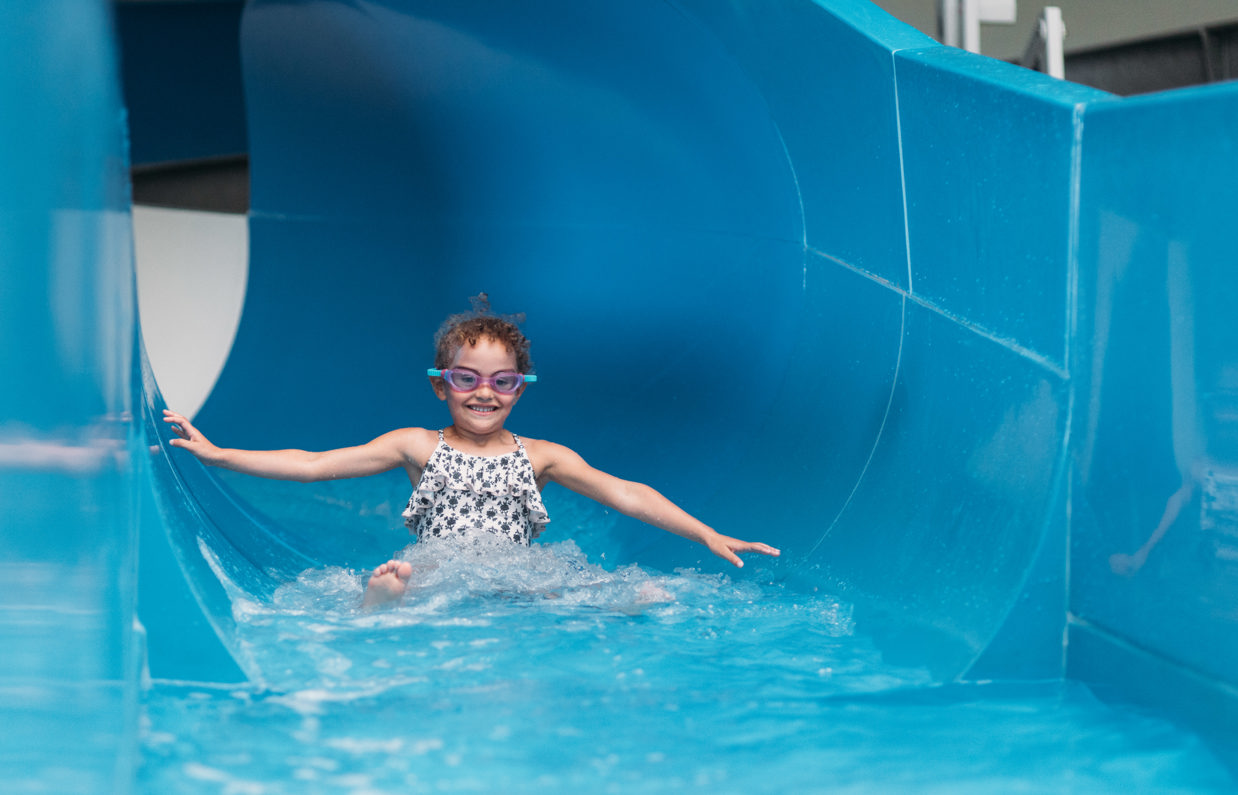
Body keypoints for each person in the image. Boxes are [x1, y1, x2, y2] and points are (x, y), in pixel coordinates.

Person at [164, 299, 780, 608]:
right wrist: (219, 456)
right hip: (441, 563)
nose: (484, 392)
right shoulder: (416, 446)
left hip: (517, 568)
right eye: (467, 378)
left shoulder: (541, 456)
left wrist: (705, 534)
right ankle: (379, 607)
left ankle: (621, 606)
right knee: (411, 584)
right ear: (441, 383)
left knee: (594, 586)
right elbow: (314, 462)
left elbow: (627, 494)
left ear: (519, 390)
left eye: (502, 381)